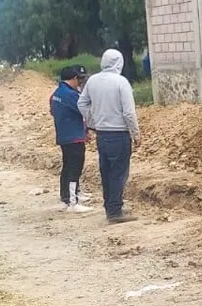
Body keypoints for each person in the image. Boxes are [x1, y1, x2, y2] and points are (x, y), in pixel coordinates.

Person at [78, 49, 141, 223]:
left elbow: (81, 103)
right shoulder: (121, 82)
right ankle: (115, 211)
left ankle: (110, 207)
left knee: (106, 171)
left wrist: (92, 122)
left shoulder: (93, 81)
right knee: (118, 173)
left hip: (102, 135)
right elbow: (129, 112)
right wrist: (136, 133)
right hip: (119, 135)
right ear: (119, 63)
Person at [50, 64, 94, 213]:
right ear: (74, 79)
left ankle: (67, 197)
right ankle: (72, 202)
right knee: (75, 167)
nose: (80, 83)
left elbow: (53, 111)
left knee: (67, 167)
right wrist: (90, 128)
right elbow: (85, 111)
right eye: (80, 79)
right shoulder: (71, 95)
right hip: (74, 137)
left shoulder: (57, 93)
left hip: (64, 135)